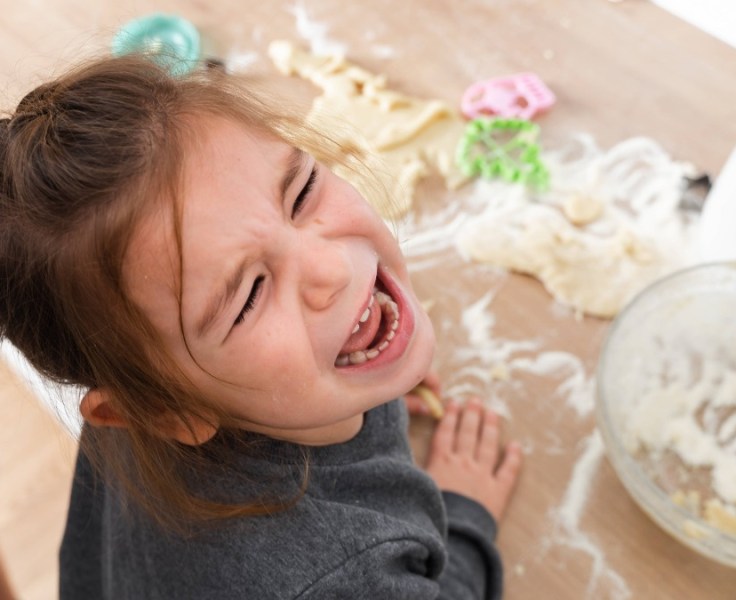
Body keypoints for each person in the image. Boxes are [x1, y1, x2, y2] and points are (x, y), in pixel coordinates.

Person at [0, 54, 522, 599]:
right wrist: (463, 516)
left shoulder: (140, 365)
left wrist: (360, 352)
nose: (333, 270)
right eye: (249, 296)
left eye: (300, 194)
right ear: (162, 411)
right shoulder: (341, 579)